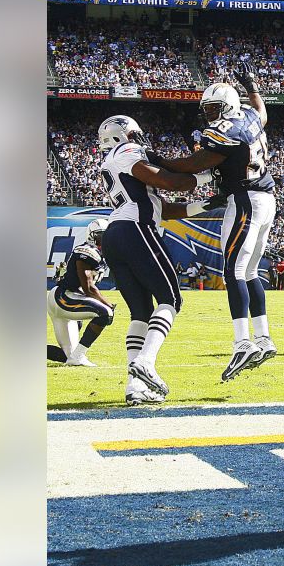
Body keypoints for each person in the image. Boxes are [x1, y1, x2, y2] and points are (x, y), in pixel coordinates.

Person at [148, 63, 277, 382]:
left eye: (215, 108)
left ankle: (242, 343)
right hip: (266, 198)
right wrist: (252, 85)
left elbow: (193, 165)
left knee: (233, 272)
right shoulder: (249, 117)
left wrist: (158, 160)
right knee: (248, 272)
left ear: (229, 106)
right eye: (207, 109)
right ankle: (263, 338)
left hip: (245, 199)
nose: (210, 114)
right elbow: (261, 110)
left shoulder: (226, 130)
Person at [96, 115, 219, 406]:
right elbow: (166, 181)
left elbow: (162, 208)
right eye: (135, 134)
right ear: (121, 136)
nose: (140, 139)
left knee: (141, 312)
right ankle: (146, 362)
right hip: (135, 229)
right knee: (171, 299)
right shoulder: (126, 152)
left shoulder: (114, 164)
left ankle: (135, 386)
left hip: (117, 233)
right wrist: (207, 176)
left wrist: (207, 203)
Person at [46, 218, 113, 368]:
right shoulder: (88, 251)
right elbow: (88, 287)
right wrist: (107, 303)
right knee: (105, 313)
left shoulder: (101, 254)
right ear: (91, 236)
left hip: (68, 298)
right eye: (100, 235)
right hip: (64, 296)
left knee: (68, 357)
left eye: (106, 235)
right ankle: (80, 355)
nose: (103, 239)